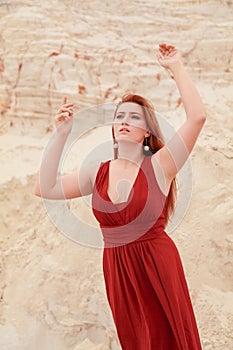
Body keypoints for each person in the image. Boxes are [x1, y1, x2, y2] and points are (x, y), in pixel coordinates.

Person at [34, 43, 206, 349]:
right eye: (120, 116)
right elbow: (44, 188)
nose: (125, 121)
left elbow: (197, 118)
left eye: (135, 118)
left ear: (147, 132)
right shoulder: (95, 172)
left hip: (157, 263)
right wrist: (59, 137)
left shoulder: (161, 166)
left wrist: (177, 67)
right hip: (118, 270)